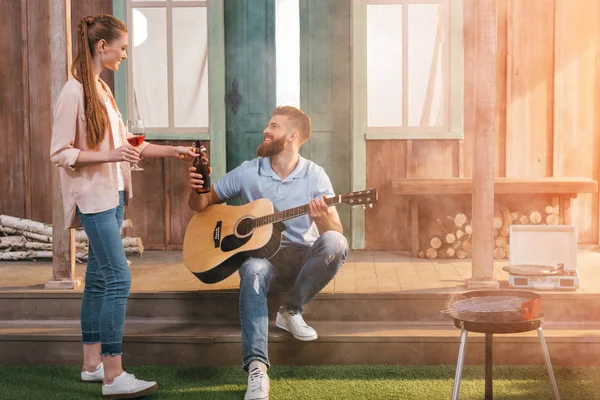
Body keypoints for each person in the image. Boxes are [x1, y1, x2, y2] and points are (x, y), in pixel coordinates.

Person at [50, 14, 197, 399]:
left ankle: (92, 365)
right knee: (119, 278)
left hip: (113, 197)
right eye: (123, 48)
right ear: (103, 47)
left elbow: (129, 145)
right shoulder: (73, 92)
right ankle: (114, 377)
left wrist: (173, 151)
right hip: (94, 201)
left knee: (99, 279)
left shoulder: (101, 90)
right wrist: (108, 155)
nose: (125, 55)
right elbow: (60, 153)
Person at [188, 106, 349, 400]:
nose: (266, 130)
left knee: (336, 242)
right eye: (267, 124)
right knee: (252, 270)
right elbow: (203, 204)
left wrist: (322, 215)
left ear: (292, 136)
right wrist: (199, 187)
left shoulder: (315, 175)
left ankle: (290, 311)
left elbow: (335, 228)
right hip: (262, 258)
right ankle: (257, 368)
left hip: (301, 257)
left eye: (273, 126)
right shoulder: (249, 170)